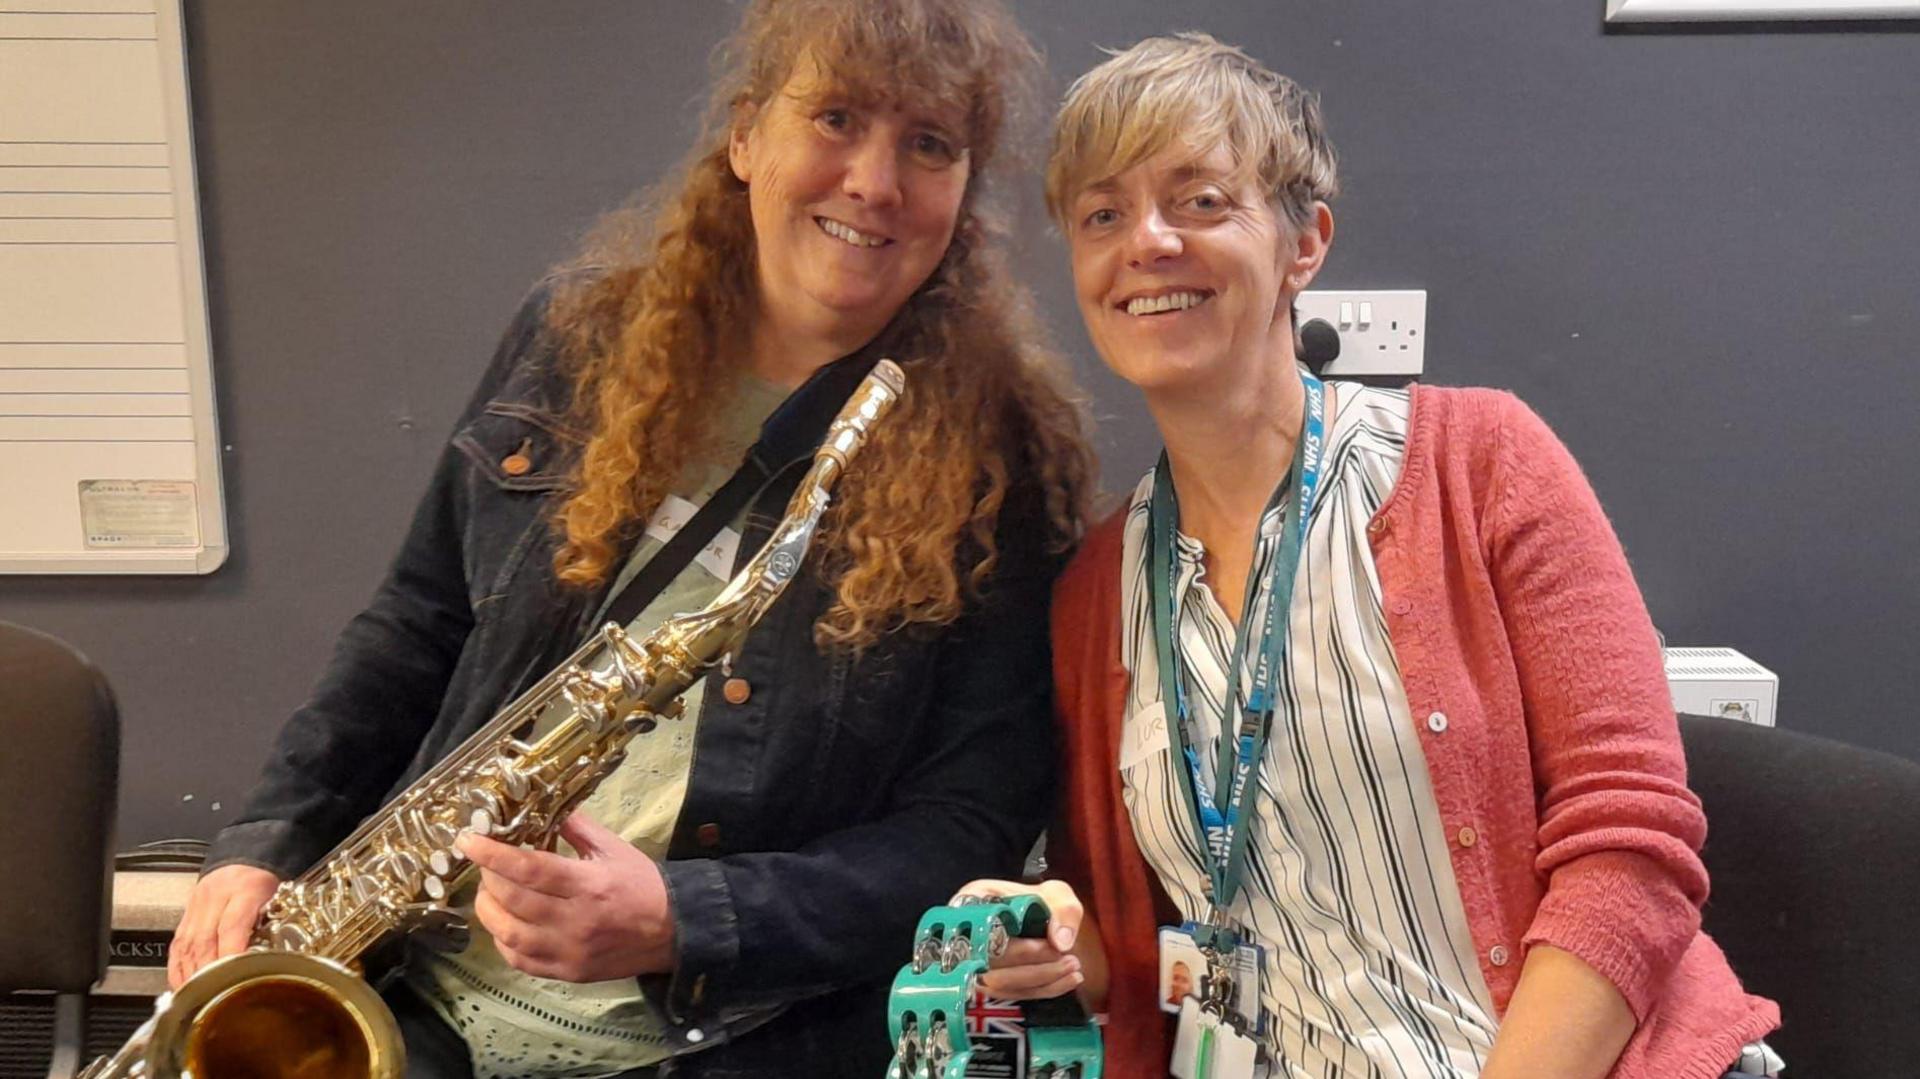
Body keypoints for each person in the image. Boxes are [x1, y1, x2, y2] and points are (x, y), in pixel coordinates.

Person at [166, 2, 1093, 1077]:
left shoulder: (1001, 458)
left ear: (964, 189)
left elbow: (964, 828)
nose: (875, 182)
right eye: (835, 117)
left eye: (928, 145)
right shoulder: (575, 339)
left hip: (730, 1039)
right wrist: (265, 844)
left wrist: (684, 917)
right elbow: (415, 627)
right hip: (417, 1003)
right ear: (747, 136)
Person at [960, 33, 1783, 1079]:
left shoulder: (1481, 465)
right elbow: (1136, 944)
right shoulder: (1096, 594)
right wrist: (1047, 945)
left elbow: (1632, 850)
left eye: (1202, 200)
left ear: (1306, 244)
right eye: (1102, 214)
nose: (1148, 241)